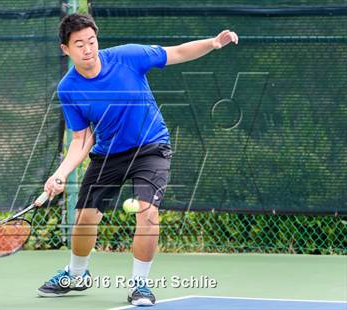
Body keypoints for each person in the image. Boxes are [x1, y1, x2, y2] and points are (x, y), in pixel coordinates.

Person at [36, 13, 238, 306]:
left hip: (151, 147)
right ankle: (77, 274)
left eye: (91, 41)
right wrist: (61, 173)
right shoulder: (69, 89)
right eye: (79, 45)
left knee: (148, 213)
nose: (88, 49)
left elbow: (177, 53)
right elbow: (81, 138)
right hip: (108, 153)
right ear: (65, 49)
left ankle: (140, 285)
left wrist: (214, 43)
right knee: (84, 220)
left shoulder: (128, 57)